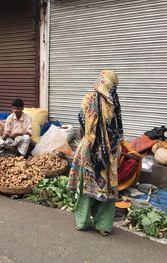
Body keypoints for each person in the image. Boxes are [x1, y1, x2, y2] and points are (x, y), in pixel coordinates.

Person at [68, 70, 123, 236]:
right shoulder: (115, 102)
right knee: (105, 187)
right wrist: (113, 150)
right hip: (109, 153)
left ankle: (82, 222)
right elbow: (118, 130)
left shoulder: (88, 98)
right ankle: (104, 226)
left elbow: (81, 123)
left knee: (86, 187)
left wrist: (87, 142)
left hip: (89, 151)